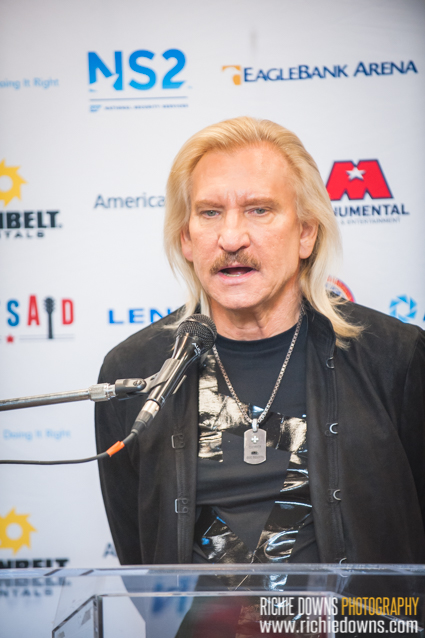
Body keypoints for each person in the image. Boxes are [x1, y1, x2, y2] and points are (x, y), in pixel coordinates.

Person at [95, 116, 425, 568]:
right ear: (187, 238)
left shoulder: (395, 357)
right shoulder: (134, 370)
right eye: (210, 213)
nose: (231, 238)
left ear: (306, 232)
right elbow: (139, 556)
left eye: (259, 209)